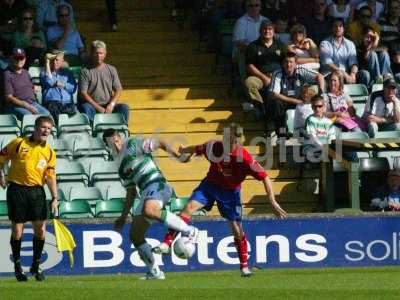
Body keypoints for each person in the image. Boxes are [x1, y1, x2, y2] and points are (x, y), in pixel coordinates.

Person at [153, 123, 287, 277]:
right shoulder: (213, 146)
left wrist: (272, 201)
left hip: (230, 193)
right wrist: (184, 152)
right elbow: (196, 148)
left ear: (239, 141)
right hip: (210, 186)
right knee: (188, 208)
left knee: (237, 229)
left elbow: (265, 177)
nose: (229, 145)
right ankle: (167, 243)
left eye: (233, 142)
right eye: (227, 141)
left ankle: (244, 266)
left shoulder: (244, 158)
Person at [104, 128, 198, 280]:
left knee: (149, 209)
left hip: (157, 184)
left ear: (120, 138)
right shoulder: (121, 168)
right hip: (146, 192)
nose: (115, 145)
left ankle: (189, 231)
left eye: (116, 140)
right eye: (111, 143)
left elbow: (159, 142)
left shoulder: (134, 144)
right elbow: (131, 192)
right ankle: (155, 272)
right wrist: (123, 217)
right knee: (135, 235)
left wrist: (177, 156)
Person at [0, 116, 58, 282]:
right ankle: (18, 268)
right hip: (17, 190)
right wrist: (1, 174)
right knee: (18, 231)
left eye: (49, 128)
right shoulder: (18, 143)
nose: (46, 130)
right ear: (35, 128)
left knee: (40, 230)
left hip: (37, 192)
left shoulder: (49, 152)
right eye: (43, 127)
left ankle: (36, 265)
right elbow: (1, 158)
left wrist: (55, 197)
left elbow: (50, 176)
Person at [268, 51, 325, 135]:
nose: (288, 65)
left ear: (295, 64)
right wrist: (294, 101)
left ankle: (312, 131)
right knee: (276, 103)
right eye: (286, 62)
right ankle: (281, 135)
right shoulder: (277, 73)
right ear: (282, 63)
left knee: (315, 101)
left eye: (291, 62)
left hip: (300, 100)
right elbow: (274, 94)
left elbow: (320, 76)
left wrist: (321, 92)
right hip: (284, 102)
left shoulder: (301, 70)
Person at [79, 40, 129, 123]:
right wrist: (98, 108)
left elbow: (118, 90)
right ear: (92, 54)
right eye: (96, 53)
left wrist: (111, 104)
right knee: (86, 107)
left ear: (105, 54)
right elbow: (83, 93)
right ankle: (92, 132)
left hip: (108, 105)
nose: (99, 56)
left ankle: (122, 131)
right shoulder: (85, 71)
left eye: (101, 53)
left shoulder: (111, 69)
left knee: (124, 107)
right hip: (92, 106)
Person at [244, 20, 285, 111]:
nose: (267, 31)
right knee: (249, 82)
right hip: (260, 77)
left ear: (274, 31)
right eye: (264, 29)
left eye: (270, 29)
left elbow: (287, 62)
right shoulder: (253, 46)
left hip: (278, 77)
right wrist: (264, 77)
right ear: (260, 31)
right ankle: (260, 107)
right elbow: (249, 65)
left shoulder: (280, 45)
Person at [3, 47, 50, 119]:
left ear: (25, 59)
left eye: (21, 58)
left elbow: (28, 86)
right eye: (16, 58)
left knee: (47, 116)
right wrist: (26, 105)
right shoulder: (7, 74)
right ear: (11, 58)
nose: (19, 60)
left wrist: (34, 87)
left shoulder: (26, 72)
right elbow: (9, 98)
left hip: (32, 103)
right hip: (16, 106)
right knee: (30, 118)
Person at [232, 0, 268, 82]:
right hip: (246, 54)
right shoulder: (241, 22)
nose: (254, 8)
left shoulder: (265, 20)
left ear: (260, 7)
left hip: (263, 53)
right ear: (246, 7)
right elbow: (239, 44)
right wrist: (256, 52)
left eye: (256, 5)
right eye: (251, 5)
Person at [40, 50, 77, 121]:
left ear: (62, 61)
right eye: (52, 60)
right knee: (53, 109)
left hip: (67, 103)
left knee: (74, 114)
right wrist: (47, 63)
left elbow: (73, 88)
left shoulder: (68, 74)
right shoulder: (43, 73)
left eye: (57, 60)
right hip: (52, 104)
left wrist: (63, 85)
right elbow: (50, 81)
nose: (54, 62)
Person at [319, 18, 359, 83]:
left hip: (347, 74)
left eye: (340, 26)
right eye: (335, 26)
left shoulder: (350, 44)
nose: (338, 28)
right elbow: (327, 63)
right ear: (332, 28)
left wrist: (353, 74)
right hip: (330, 74)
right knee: (339, 75)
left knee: (364, 74)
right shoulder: (324, 43)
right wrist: (344, 74)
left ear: (343, 29)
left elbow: (353, 62)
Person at [302, 95, 336, 161]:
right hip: (311, 147)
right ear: (312, 107)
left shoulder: (328, 122)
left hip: (324, 148)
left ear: (324, 107)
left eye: (320, 106)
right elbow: (313, 138)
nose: (317, 109)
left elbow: (332, 138)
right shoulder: (310, 119)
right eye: (315, 107)